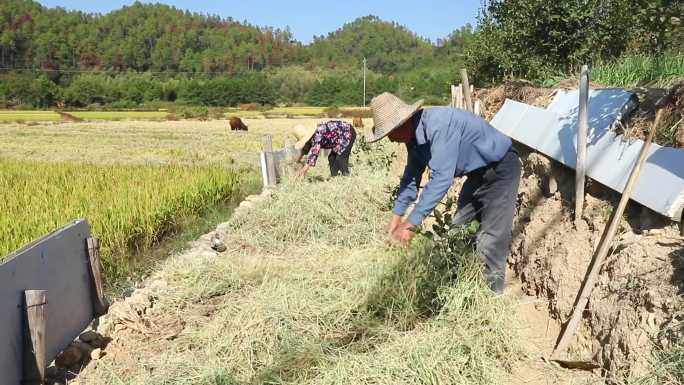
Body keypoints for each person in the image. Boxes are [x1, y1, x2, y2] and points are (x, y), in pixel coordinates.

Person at [367, 92, 521, 293]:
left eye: (390, 134)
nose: (390, 140)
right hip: (476, 175)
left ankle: (490, 299)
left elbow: (441, 178)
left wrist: (411, 224)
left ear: (401, 124)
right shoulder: (413, 139)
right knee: (458, 231)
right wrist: (396, 217)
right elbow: (411, 177)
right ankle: (458, 288)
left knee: (490, 240)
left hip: (500, 170)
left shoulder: (439, 126)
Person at [292, 120, 357, 178]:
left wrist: (302, 171)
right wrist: (297, 160)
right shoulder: (311, 137)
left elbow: (313, 155)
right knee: (331, 158)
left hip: (348, 133)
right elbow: (306, 148)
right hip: (340, 138)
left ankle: (346, 176)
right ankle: (334, 177)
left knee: (340, 159)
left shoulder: (318, 134)